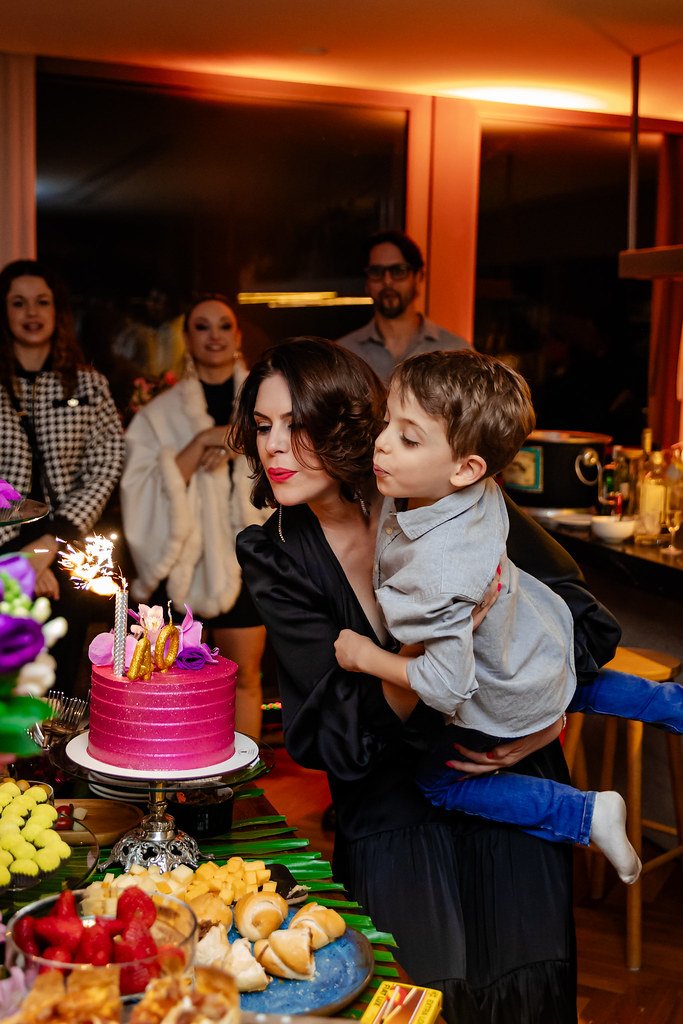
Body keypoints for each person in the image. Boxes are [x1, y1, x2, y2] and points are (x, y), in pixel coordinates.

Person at [230, 337, 622, 1024]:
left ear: (345, 421)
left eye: (298, 424)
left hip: (513, 781)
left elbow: (584, 626)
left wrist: (542, 722)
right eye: (263, 427)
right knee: (419, 1001)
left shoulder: (447, 491)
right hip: (391, 817)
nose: (275, 447)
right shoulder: (277, 553)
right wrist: (426, 656)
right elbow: (331, 738)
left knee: (526, 994)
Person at [334, 349, 683, 884]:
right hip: (536, 639)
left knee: (437, 783)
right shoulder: (472, 489)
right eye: (387, 424)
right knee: (578, 683)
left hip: (500, 678)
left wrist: (365, 657)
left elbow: (446, 685)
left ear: (466, 468)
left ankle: (585, 813)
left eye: (408, 438)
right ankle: (674, 706)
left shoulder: (438, 573)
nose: (381, 443)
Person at [120, 294, 267, 738]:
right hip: (184, 565)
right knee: (174, 682)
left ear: (238, 335)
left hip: (246, 558)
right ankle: (179, 772)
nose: (214, 336)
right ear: (187, 337)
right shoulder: (159, 414)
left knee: (245, 678)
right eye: (202, 326)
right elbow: (144, 489)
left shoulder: (265, 404)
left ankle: (240, 776)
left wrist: (238, 438)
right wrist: (203, 439)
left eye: (224, 326)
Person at [0, 259, 125, 695]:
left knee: (60, 675)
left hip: (67, 546)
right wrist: (22, 559)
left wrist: (47, 546)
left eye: (42, 302)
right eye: (18, 303)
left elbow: (107, 463)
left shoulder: (89, 385)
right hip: (3, 544)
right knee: (8, 679)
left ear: (58, 312)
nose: (31, 313)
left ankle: (53, 744)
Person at [336, 229, 469, 382]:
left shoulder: (455, 352)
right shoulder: (345, 356)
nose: (387, 281)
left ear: (418, 277)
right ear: (366, 282)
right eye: (376, 272)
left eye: (398, 271)